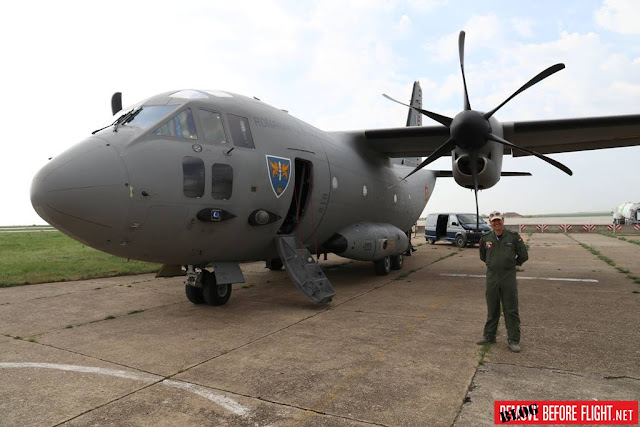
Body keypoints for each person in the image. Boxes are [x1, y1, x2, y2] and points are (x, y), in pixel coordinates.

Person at [477, 211, 528, 353]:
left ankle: (513, 340)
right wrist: (492, 263)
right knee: (492, 308)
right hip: (492, 277)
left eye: (499, 220)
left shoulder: (513, 237)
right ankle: (489, 336)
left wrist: (510, 264)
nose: (497, 223)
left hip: (508, 277)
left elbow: (523, 255)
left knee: (510, 309)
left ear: (503, 221)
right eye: (494, 221)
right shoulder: (486, 238)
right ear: (490, 223)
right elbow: (483, 256)